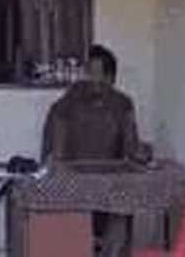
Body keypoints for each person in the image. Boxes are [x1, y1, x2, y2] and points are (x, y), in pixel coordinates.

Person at [41, 45, 140, 257]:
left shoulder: (123, 104)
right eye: (90, 72)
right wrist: (55, 161)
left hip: (109, 182)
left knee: (123, 207)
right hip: (75, 180)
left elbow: (131, 147)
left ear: (111, 78)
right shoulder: (73, 97)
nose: (92, 79)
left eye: (98, 73)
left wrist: (139, 155)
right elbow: (55, 125)